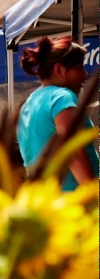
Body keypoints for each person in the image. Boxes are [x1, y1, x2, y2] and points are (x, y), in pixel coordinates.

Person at [17, 36, 98, 190]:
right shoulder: (61, 97)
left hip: (48, 203)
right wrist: (93, 193)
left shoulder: (28, 104)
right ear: (58, 70)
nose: (85, 74)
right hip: (76, 203)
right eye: (79, 67)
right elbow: (73, 153)